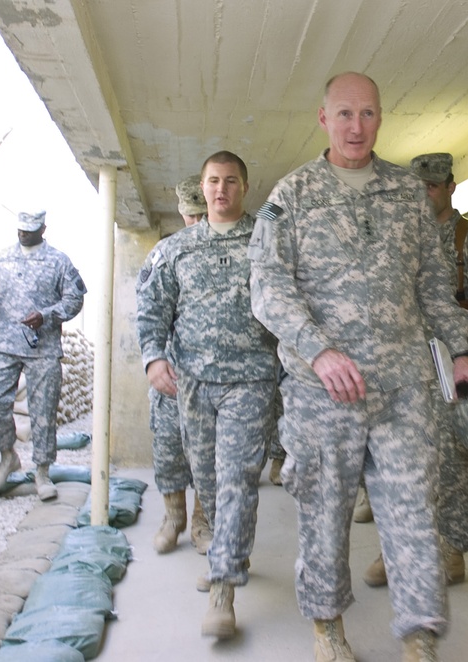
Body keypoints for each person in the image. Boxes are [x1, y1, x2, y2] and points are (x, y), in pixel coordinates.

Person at [249, 72, 468, 662]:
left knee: (412, 513)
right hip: (323, 392)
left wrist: (461, 352)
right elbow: (268, 289)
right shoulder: (293, 195)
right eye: (345, 115)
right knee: (324, 516)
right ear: (324, 119)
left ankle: (420, 636)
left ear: (381, 118)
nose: (358, 127)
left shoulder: (407, 193)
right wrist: (318, 350)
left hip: (403, 387)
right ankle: (328, 629)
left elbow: (434, 286)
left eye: (369, 114)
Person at [136, 151, 279, 639]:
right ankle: (224, 551)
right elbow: (153, 307)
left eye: (231, 181)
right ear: (203, 186)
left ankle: (223, 588)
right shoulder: (177, 248)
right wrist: (154, 358)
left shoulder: (268, 238)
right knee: (210, 481)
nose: (221, 189)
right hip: (193, 384)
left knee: (238, 477)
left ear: (244, 186)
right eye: (213, 181)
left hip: (252, 380)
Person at [363, 152, 468, 588]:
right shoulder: (399, 242)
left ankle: (451, 549)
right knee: (401, 461)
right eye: (419, 186)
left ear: (450, 186)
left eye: (433, 185)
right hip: (404, 370)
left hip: (454, 367)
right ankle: (400, 546)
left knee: (450, 463)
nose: (425, 193)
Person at [0, 210, 87, 501]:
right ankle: (7, 455)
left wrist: (48, 315)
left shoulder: (58, 261)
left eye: (30, 229)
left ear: (43, 228)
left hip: (42, 348)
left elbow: (75, 298)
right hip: (3, 342)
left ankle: (42, 472)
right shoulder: (1, 258)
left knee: (43, 411)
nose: (23, 234)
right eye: (20, 229)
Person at [140, 175, 212, 556]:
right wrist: (154, 360)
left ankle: (202, 522)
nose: (199, 223)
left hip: (213, 378)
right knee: (168, 448)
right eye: (192, 216)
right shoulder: (165, 253)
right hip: (172, 375)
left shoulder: (231, 249)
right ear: (182, 214)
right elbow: (148, 312)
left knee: (209, 454)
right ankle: (173, 518)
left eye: (205, 215)